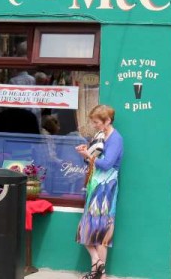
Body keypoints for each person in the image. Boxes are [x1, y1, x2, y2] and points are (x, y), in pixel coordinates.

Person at [75, 105, 123, 279]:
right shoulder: (100, 136)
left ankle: (99, 275)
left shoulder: (116, 139)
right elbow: (94, 162)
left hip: (106, 187)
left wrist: (88, 155)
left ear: (107, 121)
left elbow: (107, 163)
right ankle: (98, 265)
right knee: (87, 229)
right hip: (95, 185)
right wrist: (86, 154)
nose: (94, 125)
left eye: (96, 122)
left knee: (101, 230)